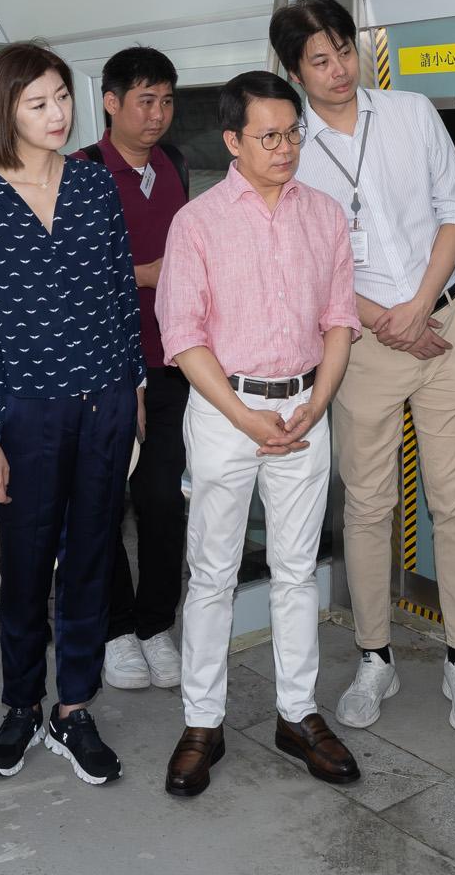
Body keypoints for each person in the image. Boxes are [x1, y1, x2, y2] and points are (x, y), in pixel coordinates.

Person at [271, 0, 455, 739]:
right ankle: (376, 656)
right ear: (294, 69)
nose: (338, 70)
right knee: (367, 507)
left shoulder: (411, 112)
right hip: (362, 346)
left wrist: (421, 308)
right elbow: (304, 266)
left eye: (344, 50)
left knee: (453, 503)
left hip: (446, 326)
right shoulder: (289, 149)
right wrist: (386, 323)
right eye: (320, 59)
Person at [154, 71, 361, 797]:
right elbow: (182, 337)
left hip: (305, 406)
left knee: (298, 572)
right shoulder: (199, 223)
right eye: (269, 136)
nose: (285, 148)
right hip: (225, 411)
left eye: (293, 133)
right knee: (212, 574)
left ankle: (296, 713)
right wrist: (247, 420)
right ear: (234, 141)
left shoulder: (326, 216)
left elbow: (339, 320)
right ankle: (202, 722)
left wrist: (316, 403)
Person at [0, 45, 144, 785]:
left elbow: (122, 299)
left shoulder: (94, 186)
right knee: (25, 567)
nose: (57, 113)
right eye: (38, 102)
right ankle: (23, 704)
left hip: (105, 404)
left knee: (94, 555)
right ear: (7, 112)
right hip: (24, 415)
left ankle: (74, 708)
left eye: (62, 96)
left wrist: (136, 394)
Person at [79, 45, 191, 694]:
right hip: (105, 369)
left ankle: (155, 625)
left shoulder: (173, 166)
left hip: (174, 362)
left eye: (167, 100)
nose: (157, 114)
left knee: (161, 502)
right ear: (111, 102)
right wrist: (141, 274)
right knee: (102, 502)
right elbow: (63, 275)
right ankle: (114, 628)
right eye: (145, 100)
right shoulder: (83, 173)